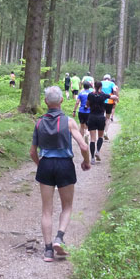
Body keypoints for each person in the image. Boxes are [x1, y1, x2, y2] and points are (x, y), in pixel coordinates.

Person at [29, 86, 90, 263]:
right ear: (61, 100)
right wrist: (86, 161)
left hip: (46, 165)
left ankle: (48, 250)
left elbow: (32, 152)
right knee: (67, 206)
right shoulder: (69, 122)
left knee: (46, 210)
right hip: (65, 165)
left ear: (46, 102)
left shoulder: (39, 123)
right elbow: (83, 146)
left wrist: (41, 166)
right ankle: (59, 238)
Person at [86, 80, 115, 164]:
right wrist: (116, 97)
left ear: (94, 86)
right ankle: (97, 151)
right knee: (100, 136)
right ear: (101, 87)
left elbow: (87, 105)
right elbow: (113, 97)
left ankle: (92, 158)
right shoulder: (103, 95)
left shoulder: (90, 95)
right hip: (101, 118)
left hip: (92, 117)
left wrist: (89, 105)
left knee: (92, 139)